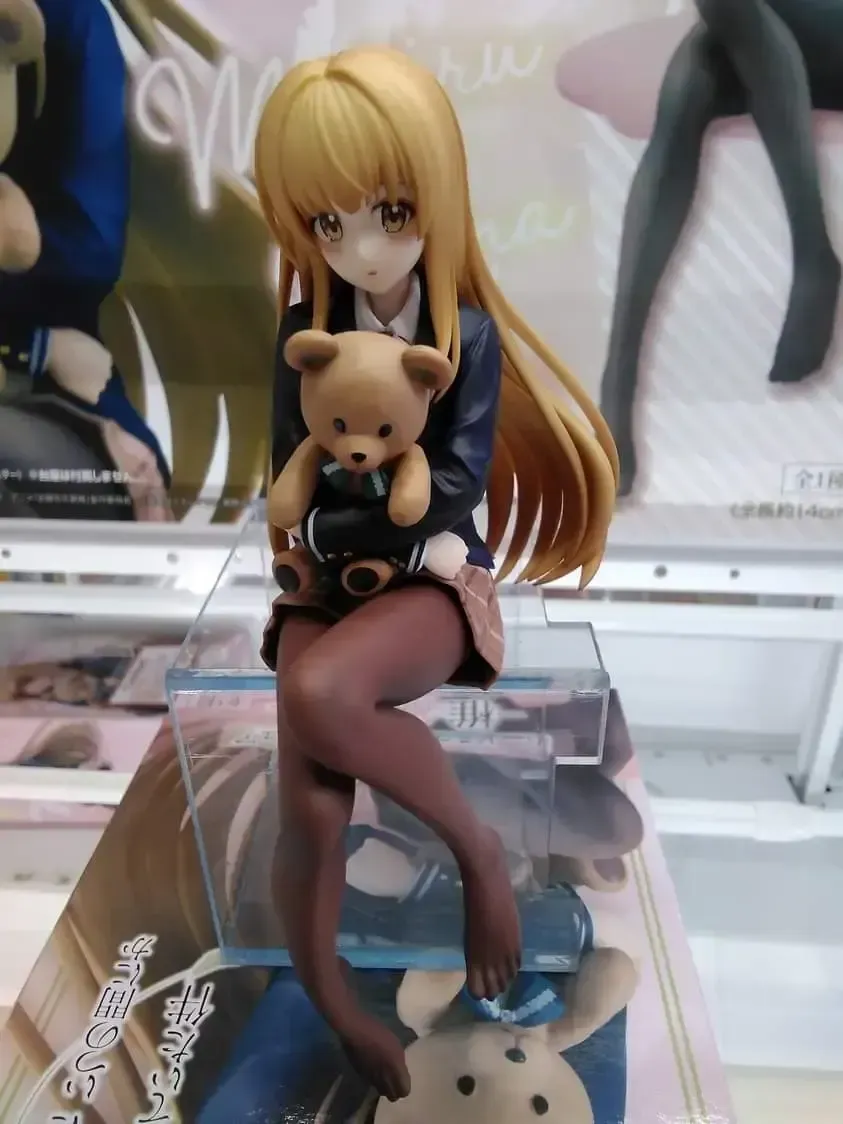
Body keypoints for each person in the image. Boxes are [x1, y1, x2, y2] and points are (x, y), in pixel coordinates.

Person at [254, 44, 618, 1100]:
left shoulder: (465, 338)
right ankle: (338, 1005)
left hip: (430, 571)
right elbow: (286, 466)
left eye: (389, 213)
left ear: (436, 200)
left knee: (320, 693)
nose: (362, 248)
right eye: (328, 224)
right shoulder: (304, 332)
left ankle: (475, 850)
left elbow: (454, 483)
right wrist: (312, 532)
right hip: (327, 574)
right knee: (311, 810)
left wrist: (356, 511)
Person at [573, 0, 843, 496]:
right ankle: (814, 255)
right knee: (692, 78)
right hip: (769, 32)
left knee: (713, 38)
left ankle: (619, 378)